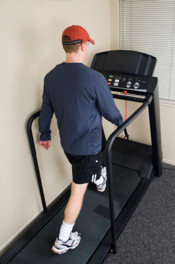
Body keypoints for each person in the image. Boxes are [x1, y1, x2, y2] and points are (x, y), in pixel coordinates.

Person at [39, 25, 123, 255]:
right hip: (88, 148)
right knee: (78, 191)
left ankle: (98, 174)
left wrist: (45, 135)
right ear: (84, 46)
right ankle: (63, 239)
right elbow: (109, 110)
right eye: (87, 45)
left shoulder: (51, 77)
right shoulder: (94, 78)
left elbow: (47, 110)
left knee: (98, 145)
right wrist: (121, 122)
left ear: (65, 46)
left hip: (69, 144)